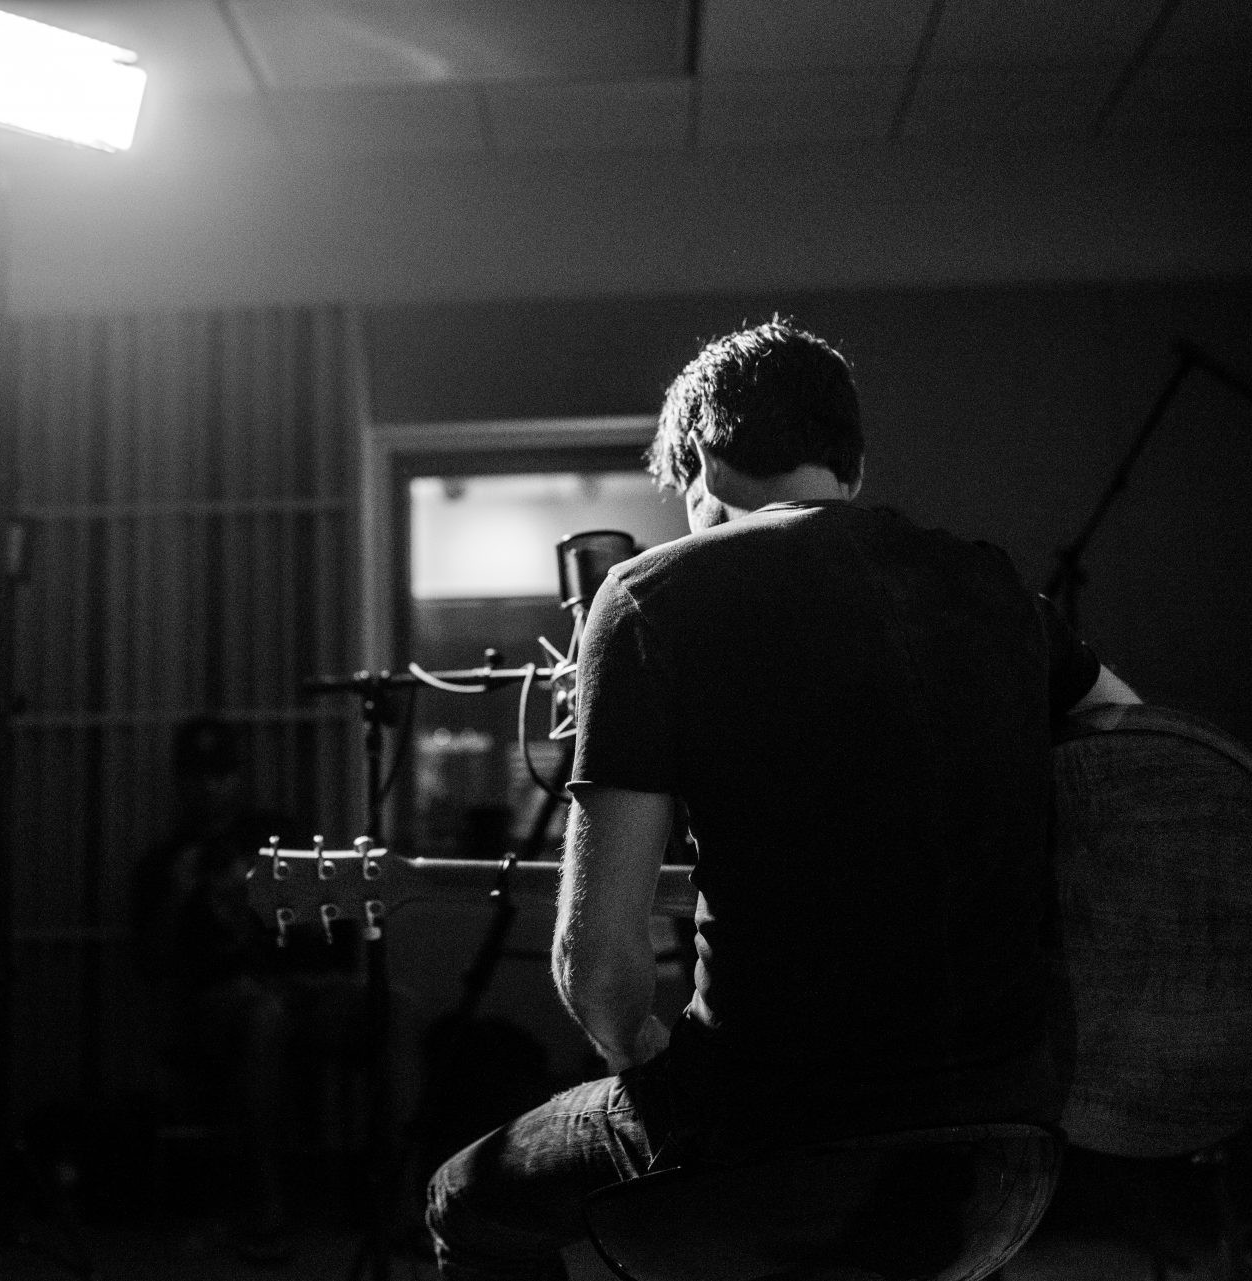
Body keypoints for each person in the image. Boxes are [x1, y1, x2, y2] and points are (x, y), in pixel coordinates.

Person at [425, 318, 1140, 1280]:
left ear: (702, 469)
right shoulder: (993, 585)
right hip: (1007, 1144)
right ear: (850, 465)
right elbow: (1138, 743)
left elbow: (597, 971)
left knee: (468, 1201)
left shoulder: (648, 596)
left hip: (780, 1138)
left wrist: (650, 1062)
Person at [130, 716, 348, 1263]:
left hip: (302, 986)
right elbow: (152, 966)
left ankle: (404, 1204)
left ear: (240, 776)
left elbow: (330, 920)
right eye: (198, 775)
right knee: (263, 1018)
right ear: (180, 781)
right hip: (223, 1003)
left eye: (222, 773)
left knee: (396, 1009)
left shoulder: (279, 838)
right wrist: (179, 898)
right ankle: (266, 1207)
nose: (211, 787)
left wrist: (266, 895)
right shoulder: (163, 862)